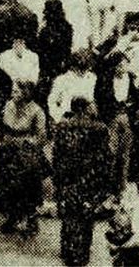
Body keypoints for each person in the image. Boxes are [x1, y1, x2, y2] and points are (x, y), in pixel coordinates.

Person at [52, 96, 112, 266]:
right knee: (85, 217)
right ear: (86, 108)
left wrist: (58, 179)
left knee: (68, 214)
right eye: (92, 105)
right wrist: (105, 184)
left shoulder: (62, 125)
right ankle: (80, 254)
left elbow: (56, 154)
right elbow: (106, 158)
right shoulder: (99, 128)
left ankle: (66, 249)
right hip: (89, 179)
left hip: (67, 179)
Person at [0, 81, 46, 235]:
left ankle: (30, 218)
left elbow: (41, 137)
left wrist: (28, 143)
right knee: (8, 186)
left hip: (26, 154)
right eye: (13, 91)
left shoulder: (37, 111)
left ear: (26, 93)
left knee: (27, 187)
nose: (13, 94)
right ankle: (12, 217)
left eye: (16, 91)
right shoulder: (8, 105)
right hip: (7, 150)